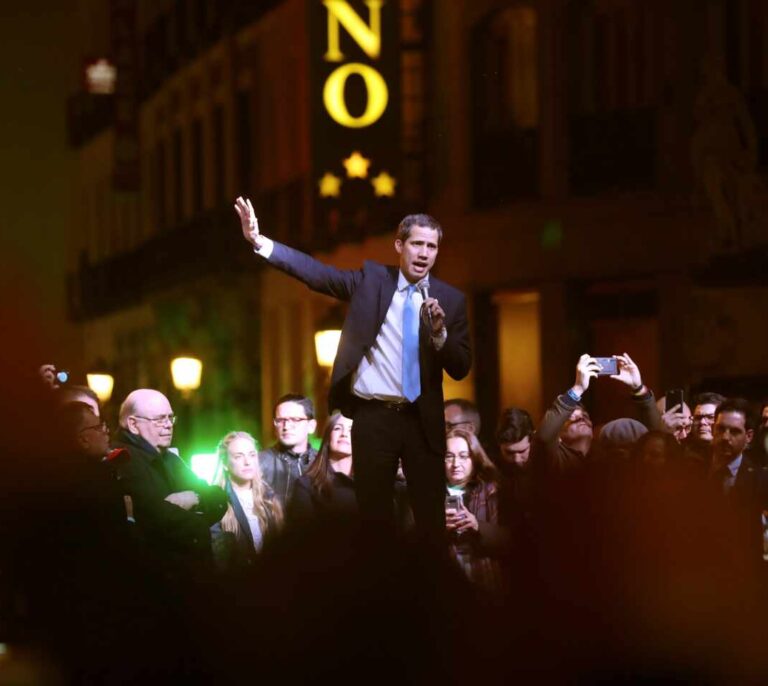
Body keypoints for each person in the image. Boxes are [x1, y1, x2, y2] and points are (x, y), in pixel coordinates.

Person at [235, 196, 471, 538]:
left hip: (422, 421)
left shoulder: (450, 299)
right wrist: (261, 242)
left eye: (431, 246)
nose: (424, 253)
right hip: (374, 419)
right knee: (374, 524)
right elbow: (318, 275)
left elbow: (461, 366)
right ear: (399, 245)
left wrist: (440, 336)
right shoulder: (372, 281)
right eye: (417, 244)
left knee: (430, 524)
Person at [112, 389, 228, 567]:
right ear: (133, 424)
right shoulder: (123, 461)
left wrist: (193, 498)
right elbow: (157, 520)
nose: (168, 425)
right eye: (159, 419)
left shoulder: (170, 459)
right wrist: (196, 517)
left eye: (170, 418)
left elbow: (217, 498)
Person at [535, 353, 661, 476]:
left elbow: (657, 438)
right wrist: (578, 388)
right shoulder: (555, 460)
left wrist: (639, 388)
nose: (581, 418)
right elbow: (544, 437)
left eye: (585, 415)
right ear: (558, 436)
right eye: (571, 417)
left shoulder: (605, 455)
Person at [444, 429, 508, 595]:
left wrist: (477, 525)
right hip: (444, 581)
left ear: (475, 457)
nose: (455, 464)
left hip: (484, 577)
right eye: (449, 456)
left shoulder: (493, 490)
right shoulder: (428, 492)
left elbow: (512, 540)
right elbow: (409, 539)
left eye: (463, 456)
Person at [211, 431, 282, 571]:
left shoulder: (269, 498)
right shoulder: (215, 502)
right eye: (239, 456)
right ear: (225, 464)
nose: (247, 462)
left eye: (252, 455)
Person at [287, 413, 357, 526]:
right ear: (328, 437)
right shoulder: (306, 485)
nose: (344, 434)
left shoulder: (371, 483)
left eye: (351, 430)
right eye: (337, 428)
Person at [259, 393, 318, 508]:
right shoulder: (259, 463)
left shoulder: (323, 462)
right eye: (280, 420)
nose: (286, 426)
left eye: (295, 420)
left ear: (311, 426)